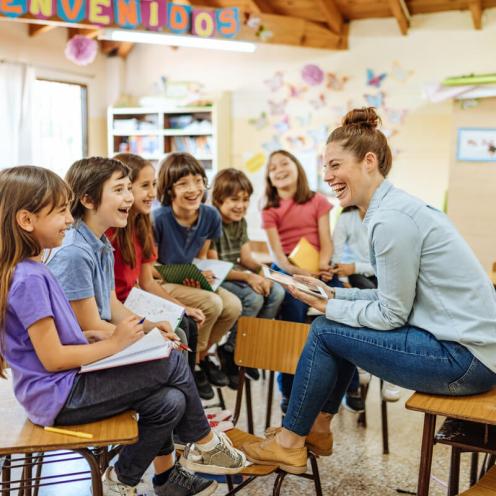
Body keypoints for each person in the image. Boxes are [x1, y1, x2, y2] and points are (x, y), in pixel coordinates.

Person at [242, 107, 496, 474]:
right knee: (337, 326)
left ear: (369, 162)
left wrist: (329, 308)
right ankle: (317, 428)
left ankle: (290, 441)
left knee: (327, 330)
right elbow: (391, 298)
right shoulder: (393, 209)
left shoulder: (390, 220)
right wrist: (332, 296)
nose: (327, 177)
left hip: (466, 361)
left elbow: (392, 313)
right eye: (325, 167)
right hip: (470, 350)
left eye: (335, 165)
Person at [0, 166, 246, 496]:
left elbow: (54, 341)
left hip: (63, 387)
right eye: (60, 211)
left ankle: (121, 481)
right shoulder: (30, 276)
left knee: (170, 402)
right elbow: (54, 359)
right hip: (58, 396)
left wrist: (92, 338)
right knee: (170, 360)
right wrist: (116, 342)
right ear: (26, 220)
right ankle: (204, 442)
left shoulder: (33, 269)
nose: (69, 219)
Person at [261, 149, 344, 411]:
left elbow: (326, 241)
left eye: (284, 163)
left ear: (297, 166)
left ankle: (347, 386)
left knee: (342, 306)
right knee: (293, 320)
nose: (280, 169)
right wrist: (300, 274)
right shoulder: (270, 209)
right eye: (273, 167)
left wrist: (321, 267)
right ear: (269, 178)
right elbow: (279, 257)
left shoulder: (317, 200)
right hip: (288, 271)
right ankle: (289, 390)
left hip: (318, 269)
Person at [108, 152, 205, 375]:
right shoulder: (111, 231)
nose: (152, 193)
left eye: (153, 184)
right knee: (180, 332)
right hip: (117, 309)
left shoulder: (142, 225)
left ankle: (191, 390)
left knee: (187, 320)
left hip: (134, 300)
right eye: (145, 186)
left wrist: (182, 307)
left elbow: (147, 282)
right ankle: (184, 393)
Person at [153, 152, 241, 397]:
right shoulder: (158, 219)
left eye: (198, 181)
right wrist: (182, 275)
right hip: (161, 282)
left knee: (233, 305)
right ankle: (196, 364)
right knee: (212, 303)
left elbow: (201, 258)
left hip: (192, 280)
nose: (193, 189)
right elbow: (150, 269)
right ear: (169, 189)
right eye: (182, 184)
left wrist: (206, 272)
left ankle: (201, 356)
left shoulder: (210, 215)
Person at [209, 168, 285, 389]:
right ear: (218, 199)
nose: (240, 205)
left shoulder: (240, 223)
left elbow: (246, 258)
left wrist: (264, 273)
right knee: (253, 299)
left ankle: (247, 348)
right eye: (234, 199)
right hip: (218, 277)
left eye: (245, 200)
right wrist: (249, 278)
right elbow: (216, 268)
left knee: (276, 292)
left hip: (236, 274)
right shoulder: (212, 221)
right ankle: (231, 350)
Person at [332, 205, 400, 403]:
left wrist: (356, 266)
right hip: (353, 276)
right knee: (365, 294)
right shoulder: (347, 218)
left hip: (378, 274)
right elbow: (337, 257)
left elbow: (389, 263)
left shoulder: (388, 217)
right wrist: (344, 276)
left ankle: (389, 372)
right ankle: (364, 363)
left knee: (394, 301)